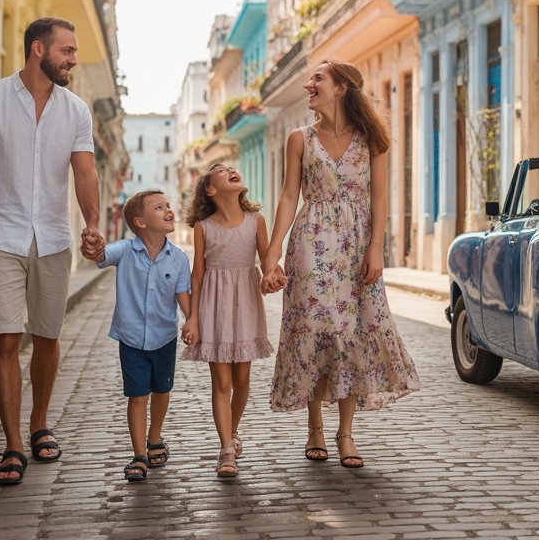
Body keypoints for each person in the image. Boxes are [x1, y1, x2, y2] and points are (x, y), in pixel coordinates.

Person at [0, 16, 101, 487]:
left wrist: (93, 223)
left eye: (75, 51)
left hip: (54, 238)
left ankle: (40, 422)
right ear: (39, 49)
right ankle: (14, 444)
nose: (73, 60)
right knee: (5, 338)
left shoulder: (76, 109)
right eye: (67, 50)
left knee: (47, 336)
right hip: (1, 234)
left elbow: (84, 172)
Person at [263, 59, 421, 469]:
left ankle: (345, 432)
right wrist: (273, 250)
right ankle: (315, 426)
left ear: (341, 88)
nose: (307, 84)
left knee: (352, 334)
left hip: (355, 245)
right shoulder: (299, 138)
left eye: (317, 78)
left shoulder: (372, 138)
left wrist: (376, 249)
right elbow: (287, 197)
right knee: (316, 331)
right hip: (311, 241)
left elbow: (380, 200)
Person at [84, 190, 192, 482]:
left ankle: (155, 435)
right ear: (140, 222)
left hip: (164, 338)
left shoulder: (179, 259)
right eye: (160, 208)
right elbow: (102, 255)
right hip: (131, 337)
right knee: (137, 395)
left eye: (168, 206)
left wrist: (192, 322)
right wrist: (93, 246)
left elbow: (183, 296)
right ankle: (139, 454)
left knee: (162, 389)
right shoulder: (124, 251)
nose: (169, 210)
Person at [180, 164, 277, 478]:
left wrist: (271, 279)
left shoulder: (256, 222)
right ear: (210, 190)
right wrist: (192, 319)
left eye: (233, 168)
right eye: (222, 171)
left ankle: (231, 433)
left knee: (242, 381)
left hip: (246, 304)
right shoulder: (203, 227)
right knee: (221, 383)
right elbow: (197, 273)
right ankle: (226, 449)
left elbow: (266, 264)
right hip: (214, 306)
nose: (232, 170)